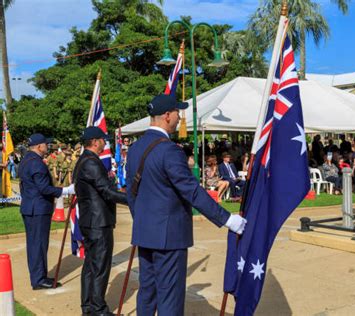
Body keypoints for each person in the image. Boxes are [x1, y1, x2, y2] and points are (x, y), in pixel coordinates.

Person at [126, 94, 246, 316]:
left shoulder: (134, 149)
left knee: (147, 293)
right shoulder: (169, 151)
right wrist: (228, 219)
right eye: (178, 113)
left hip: (145, 232)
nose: (180, 117)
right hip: (169, 236)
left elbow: (132, 194)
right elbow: (191, 191)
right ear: (167, 115)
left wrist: (144, 220)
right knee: (170, 297)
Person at [74, 126, 128, 316]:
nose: (105, 143)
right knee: (99, 267)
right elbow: (107, 191)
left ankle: (88, 307)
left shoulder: (84, 160)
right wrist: (132, 199)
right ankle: (98, 308)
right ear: (95, 141)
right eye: (103, 140)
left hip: (91, 221)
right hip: (98, 222)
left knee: (90, 265)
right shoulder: (91, 162)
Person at [18, 133, 75, 290]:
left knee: (35, 244)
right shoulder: (36, 163)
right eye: (45, 144)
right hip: (38, 209)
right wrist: (66, 190)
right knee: (39, 245)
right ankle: (38, 279)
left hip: (31, 207)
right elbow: (44, 188)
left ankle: (39, 275)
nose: (47, 147)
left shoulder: (26, 160)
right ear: (38, 146)